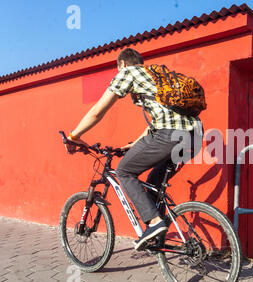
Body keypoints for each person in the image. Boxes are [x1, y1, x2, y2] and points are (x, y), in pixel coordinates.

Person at [66, 48, 203, 250]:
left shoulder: (127, 73)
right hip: (195, 136)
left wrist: (74, 136)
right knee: (154, 182)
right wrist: (131, 145)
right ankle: (158, 237)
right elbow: (155, 123)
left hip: (170, 135)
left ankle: (154, 224)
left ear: (121, 64)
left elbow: (97, 112)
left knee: (124, 171)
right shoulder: (155, 77)